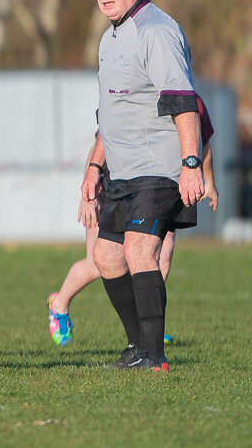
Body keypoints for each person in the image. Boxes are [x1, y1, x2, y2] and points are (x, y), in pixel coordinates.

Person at [81, 0, 200, 372]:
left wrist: (190, 163)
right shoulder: (109, 38)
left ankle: (154, 356)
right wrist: (94, 167)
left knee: (139, 249)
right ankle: (137, 346)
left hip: (160, 168)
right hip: (121, 172)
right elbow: (109, 115)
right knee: (107, 257)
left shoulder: (157, 31)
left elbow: (184, 103)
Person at [48, 101, 217, 347]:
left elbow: (203, 143)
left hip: (158, 189)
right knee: (99, 262)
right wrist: (88, 197)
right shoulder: (134, 93)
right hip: (113, 189)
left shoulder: (192, 100)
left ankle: (148, 330)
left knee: (161, 254)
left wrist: (209, 182)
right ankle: (59, 305)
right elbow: (100, 144)